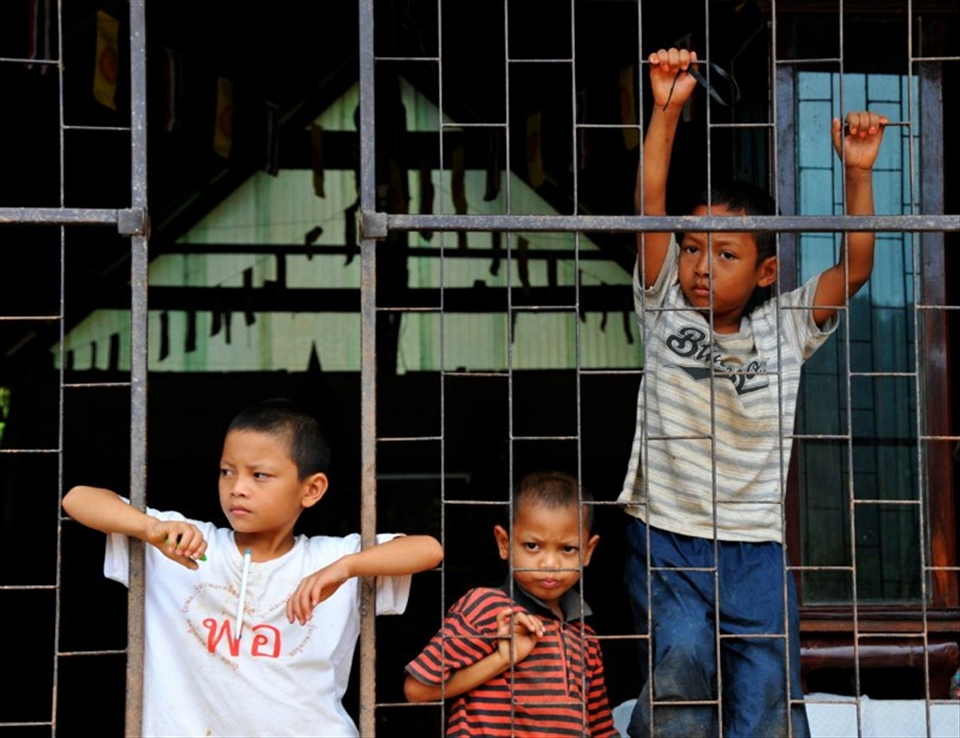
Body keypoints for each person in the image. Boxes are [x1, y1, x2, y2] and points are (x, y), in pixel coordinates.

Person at [619, 48, 887, 737]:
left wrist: (857, 174)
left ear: (768, 271)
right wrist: (668, 108)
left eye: (727, 254)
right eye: (692, 247)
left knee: (766, 690)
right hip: (667, 534)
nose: (702, 267)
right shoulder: (664, 303)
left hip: (755, 547)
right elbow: (651, 201)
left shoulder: (787, 324)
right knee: (680, 665)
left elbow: (855, 268)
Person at [62, 398, 443, 737]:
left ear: (311, 489)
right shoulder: (181, 545)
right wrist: (150, 528)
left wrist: (344, 569)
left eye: (259, 475)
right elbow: (77, 499)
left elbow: (428, 550)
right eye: (227, 472)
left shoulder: (329, 559)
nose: (237, 488)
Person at [404, 471, 618, 738]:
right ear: (504, 543)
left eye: (567, 549)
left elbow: (601, 728)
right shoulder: (486, 607)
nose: (549, 564)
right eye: (532, 546)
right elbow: (417, 690)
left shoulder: (585, 636)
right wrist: (502, 659)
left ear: (588, 551)